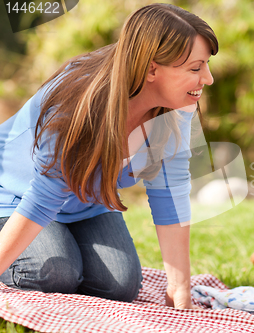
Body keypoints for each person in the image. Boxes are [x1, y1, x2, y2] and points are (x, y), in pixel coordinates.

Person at [0, 3, 218, 308]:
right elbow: (42, 199)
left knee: (119, 284)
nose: (207, 78)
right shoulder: (77, 100)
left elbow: (170, 193)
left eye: (206, 65)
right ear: (152, 68)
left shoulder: (178, 109)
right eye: (195, 68)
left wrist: (179, 289)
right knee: (53, 274)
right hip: (14, 195)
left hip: (87, 204)